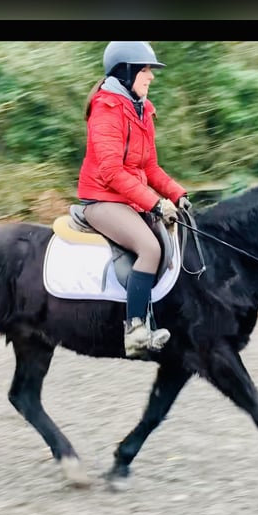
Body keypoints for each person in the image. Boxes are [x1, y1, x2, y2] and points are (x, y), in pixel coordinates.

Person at [77, 41, 192, 359]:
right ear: (125, 72)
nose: (150, 77)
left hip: (129, 199)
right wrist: (155, 203)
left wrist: (176, 193)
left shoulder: (142, 109)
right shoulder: (107, 109)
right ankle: (135, 331)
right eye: (145, 70)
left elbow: (150, 167)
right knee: (150, 248)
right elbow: (111, 171)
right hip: (101, 200)